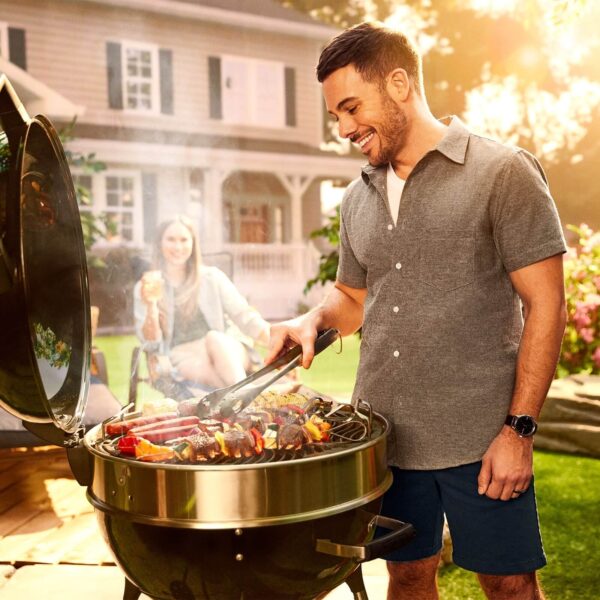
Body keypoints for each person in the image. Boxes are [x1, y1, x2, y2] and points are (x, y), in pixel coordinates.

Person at [266, 22, 567, 600]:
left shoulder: (503, 173)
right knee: (406, 576)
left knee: (507, 584)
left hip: (481, 436)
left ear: (399, 84)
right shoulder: (359, 195)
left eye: (352, 108)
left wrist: (519, 430)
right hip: (384, 439)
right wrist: (312, 321)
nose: (344, 129)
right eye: (336, 116)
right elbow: (352, 300)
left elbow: (546, 304)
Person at [134, 215, 270, 390]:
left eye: (184, 239)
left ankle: (244, 396)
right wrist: (151, 304)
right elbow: (150, 343)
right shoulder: (145, 287)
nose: (178, 247)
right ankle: (249, 397)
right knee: (195, 363)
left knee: (214, 338)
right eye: (171, 239)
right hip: (184, 356)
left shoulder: (212, 277)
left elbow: (245, 316)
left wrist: (277, 342)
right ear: (160, 243)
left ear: (193, 243)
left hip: (226, 350)